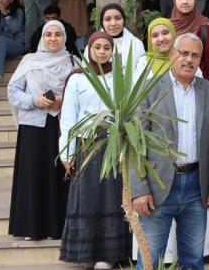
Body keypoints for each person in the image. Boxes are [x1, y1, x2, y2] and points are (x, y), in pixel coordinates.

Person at [131, 33, 209, 270]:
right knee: (150, 260)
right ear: (172, 54)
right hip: (157, 185)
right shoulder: (149, 90)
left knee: (193, 260)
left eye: (195, 55)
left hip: (196, 186)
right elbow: (135, 142)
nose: (188, 59)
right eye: (183, 53)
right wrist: (138, 189)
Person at [59, 32, 131, 268]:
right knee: (88, 199)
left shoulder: (120, 76)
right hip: (86, 146)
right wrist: (67, 153)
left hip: (114, 143)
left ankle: (108, 256)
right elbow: (68, 118)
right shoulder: (78, 78)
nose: (102, 51)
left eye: (107, 47)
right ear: (89, 49)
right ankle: (86, 254)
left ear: (113, 51)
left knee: (111, 200)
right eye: (97, 47)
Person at [7, 20, 73, 240]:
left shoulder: (73, 62)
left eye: (57, 34)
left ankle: (60, 228)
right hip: (34, 127)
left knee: (61, 177)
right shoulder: (29, 61)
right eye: (48, 35)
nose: (53, 39)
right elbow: (13, 91)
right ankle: (32, 228)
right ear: (42, 38)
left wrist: (63, 101)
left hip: (63, 126)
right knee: (34, 175)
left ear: (64, 38)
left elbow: (83, 91)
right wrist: (35, 100)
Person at [86, 4, 145, 69]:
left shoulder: (136, 44)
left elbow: (141, 71)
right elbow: (86, 70)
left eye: (118, 18)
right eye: (107, 19)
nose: (113, 23)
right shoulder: (93, 43)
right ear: (102, 22)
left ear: (124, 20)